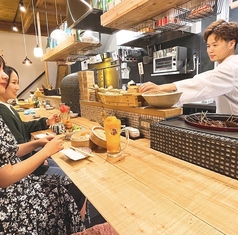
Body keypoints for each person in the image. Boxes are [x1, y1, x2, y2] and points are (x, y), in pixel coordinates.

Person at [0, 56, 86, 234]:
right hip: (12, 202)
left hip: (18, 186)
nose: (4, 77)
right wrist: (44, 153)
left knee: (70, 175)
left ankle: (76, 224)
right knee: (76, 180)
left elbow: (9, 150)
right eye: (0, 71)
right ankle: (76, 226)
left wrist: (37, 143)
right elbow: (5, 177)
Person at [139, 19, 238, 114]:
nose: (210, 50)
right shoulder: (230, 64)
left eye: (215, 45)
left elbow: (201, 83)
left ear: (231, 44)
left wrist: (160, 88)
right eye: (208, 46)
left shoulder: (232, 67)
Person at [1, 65, 65, 176]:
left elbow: (22, 127)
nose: (18, 87)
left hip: (28, 162)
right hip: (26, 171)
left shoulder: (7, 106)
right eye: (14, 82)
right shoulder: (2, 111)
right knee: (68, 174)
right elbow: (16, 149)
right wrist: (40, 158)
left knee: (62, 163)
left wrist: (45, 122)